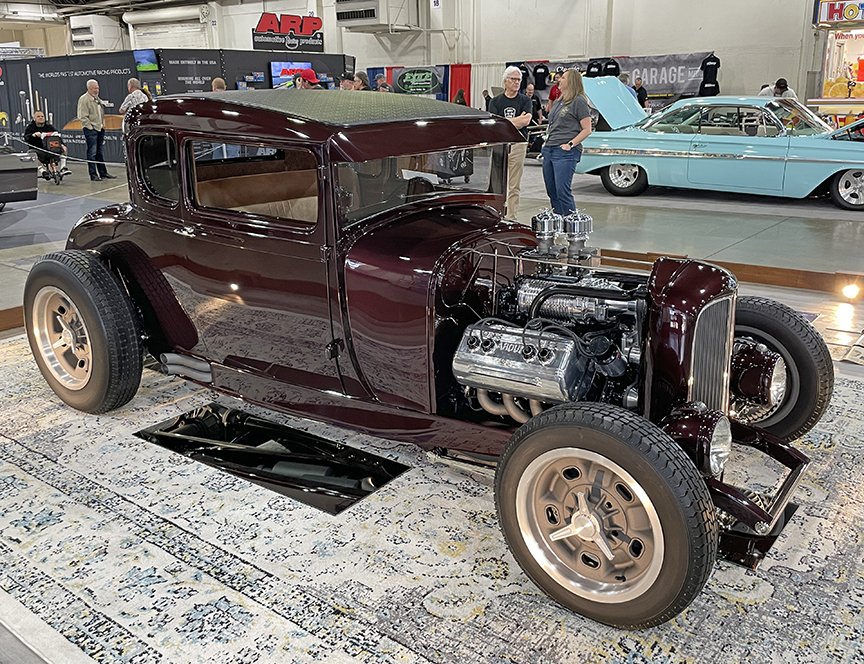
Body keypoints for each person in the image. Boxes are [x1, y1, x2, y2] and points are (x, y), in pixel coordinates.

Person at [542, 68, 592, 215]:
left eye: (563, 77)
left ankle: (571, 225)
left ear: (571, 81)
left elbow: (587, 129)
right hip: (550, 148)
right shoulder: (559, 101)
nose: (559, 79)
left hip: (564, 152)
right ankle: (558, 222)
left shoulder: (578, 101)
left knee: (562, 191)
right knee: (552, 191)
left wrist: (570, 144)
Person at [488, 65, 532, 218]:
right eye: (513, 79)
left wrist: (505, 121)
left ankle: (511, 216)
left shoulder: (525, 100)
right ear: (505, 81)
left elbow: (525, 121)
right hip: (500, 145)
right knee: (497, 183)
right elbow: (495, 124)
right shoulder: (495, 101)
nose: (516, 82)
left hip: (518, 144)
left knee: (514, 185)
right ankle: (496, 214)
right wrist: (516, 120)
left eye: (519, 80)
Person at [76, 79, 115, 182]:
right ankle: (93, 174)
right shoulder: (84, 99)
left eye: (97, 88)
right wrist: (90, 127)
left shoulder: (97, 99)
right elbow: (82, 116)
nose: (96, 90)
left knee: (99, 152)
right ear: (89, 88)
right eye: (94, 88)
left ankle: (103, 173)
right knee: (92, 153)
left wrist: (102, 125)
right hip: (91, 130)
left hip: (100, 128)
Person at [24, 110, 70, 177]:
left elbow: (57, 136)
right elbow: (26, 137)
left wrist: (62, 144)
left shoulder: (49, 127)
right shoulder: (30, 128)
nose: (41, 118)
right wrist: (33, 135)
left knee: (64, 148)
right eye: (38, 116)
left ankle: (63, 168)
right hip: (39, 151)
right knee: (31, 152)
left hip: (51, 150)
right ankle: (43, 171)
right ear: (34, 119)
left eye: (42, 116)